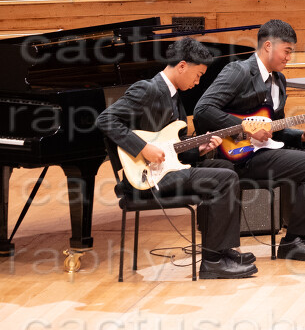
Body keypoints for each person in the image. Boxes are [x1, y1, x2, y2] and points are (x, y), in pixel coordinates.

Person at [97, 38, 251, 279]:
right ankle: (213, 262)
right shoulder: (147, 89)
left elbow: (172, 149)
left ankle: (220, 250)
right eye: (198, 75)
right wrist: (143, 148)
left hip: (166, 171)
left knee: (224, 166)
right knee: (224, 179)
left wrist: (200, 149)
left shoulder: (174, 96)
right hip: (147, 178)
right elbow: (105, 120)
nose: (197, 82)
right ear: (182, 66)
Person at [194, 19, 305, 260]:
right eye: (287, 51)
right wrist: (246, 128)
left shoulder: (279, 81)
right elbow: (202, 110)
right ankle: (294, 243)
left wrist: (304, 135)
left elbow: (276, 130)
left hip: (265, 151)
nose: (289, 58)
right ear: (268, 46)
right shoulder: (238, 71)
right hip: (239, 157)